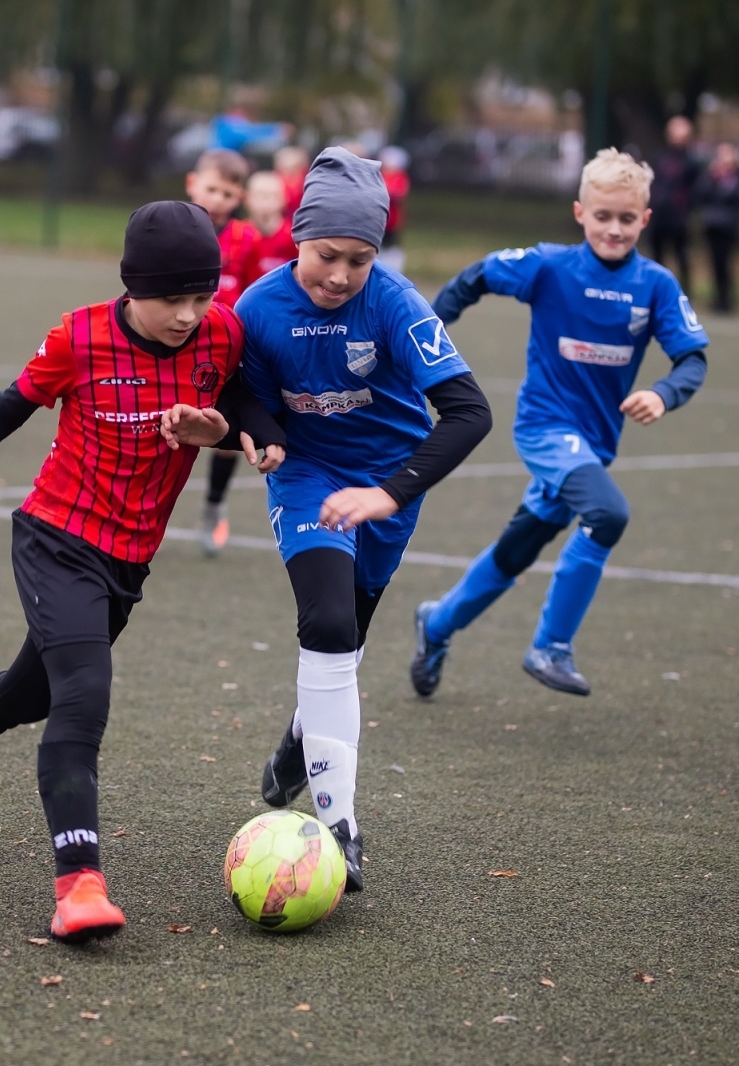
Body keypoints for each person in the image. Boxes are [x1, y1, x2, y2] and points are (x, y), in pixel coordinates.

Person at [0, 201, 286, 943]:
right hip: (56, 537)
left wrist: (242, 434)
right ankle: (79, 884)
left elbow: (239, 396)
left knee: (19, 696)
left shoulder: (221, 330)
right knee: (82, 699)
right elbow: (3, 410)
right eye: (172, 300)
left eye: (202, 296)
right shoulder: (80, 336)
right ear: (131, 288)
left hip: (129, 559)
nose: (190, 315)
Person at [238, 148, 494, 889]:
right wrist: (265, 432)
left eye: (358, 259)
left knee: (345, 645)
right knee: (326, 626)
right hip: (309, 483)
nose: (341, 275)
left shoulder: (394, 303)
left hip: (387, 490)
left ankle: (298, 740)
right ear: (296, 237)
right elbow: (243, 393)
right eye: (326, 256)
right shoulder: (257, 308)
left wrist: (391, 492)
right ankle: (340, 826)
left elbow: (469, 412)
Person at [410, 149, 709, 701]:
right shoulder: (548, 266)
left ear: (645, 220)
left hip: (593, 445)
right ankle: (551, 645)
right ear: (580, 213)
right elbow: (474, 278)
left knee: (517, 551)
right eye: (603, 216)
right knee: (608, 514)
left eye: (626, 219)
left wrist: (663, 394)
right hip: (545, 427)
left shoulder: (658, 285)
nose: (613, 229)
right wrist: (425, 336)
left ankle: (437, 623)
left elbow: (692, 359)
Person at [186, 148, 262, 556]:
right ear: (192, 183)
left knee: (229, 437)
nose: (217, 199)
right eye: (211, 189)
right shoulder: (174, 227)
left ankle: (213, 505)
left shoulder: (246, 239)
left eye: (228, 194)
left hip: (225, 354)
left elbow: (253, 295)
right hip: (176, 349)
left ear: (239, 199)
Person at [648, 115, 699, 290]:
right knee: (657, 256)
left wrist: (685, 211)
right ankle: (655, 290)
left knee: (682, 256)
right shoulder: (659, 158)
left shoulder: (692, 162)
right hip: (659, 214)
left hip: (678, 217)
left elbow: (695, 190)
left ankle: (685, 292)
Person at [697, 142, 739, 314]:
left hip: (729, 226)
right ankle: (717, 298)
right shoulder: (711, 176)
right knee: (715, 263)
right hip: (713, 225)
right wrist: (713, 177)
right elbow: (701, 193)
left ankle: (727, 299)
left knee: (726, 263)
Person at [245, 170, 296, 276]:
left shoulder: (293, 235)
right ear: (247, 199)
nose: (266, 201)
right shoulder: (240, 233)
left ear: (284, 199)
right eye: (260, 195)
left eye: (272, 195)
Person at [377, 145, 412, 273]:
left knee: (391, 245)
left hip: (392, 219)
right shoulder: (380, 174)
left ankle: (393, 269)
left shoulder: (399, 176)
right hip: (378, 218)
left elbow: (399, 193)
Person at [275, 145, 311, 217]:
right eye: (284, 171)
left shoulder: (309, 188)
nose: (288, 177)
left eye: (294, 171)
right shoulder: (273, 186)